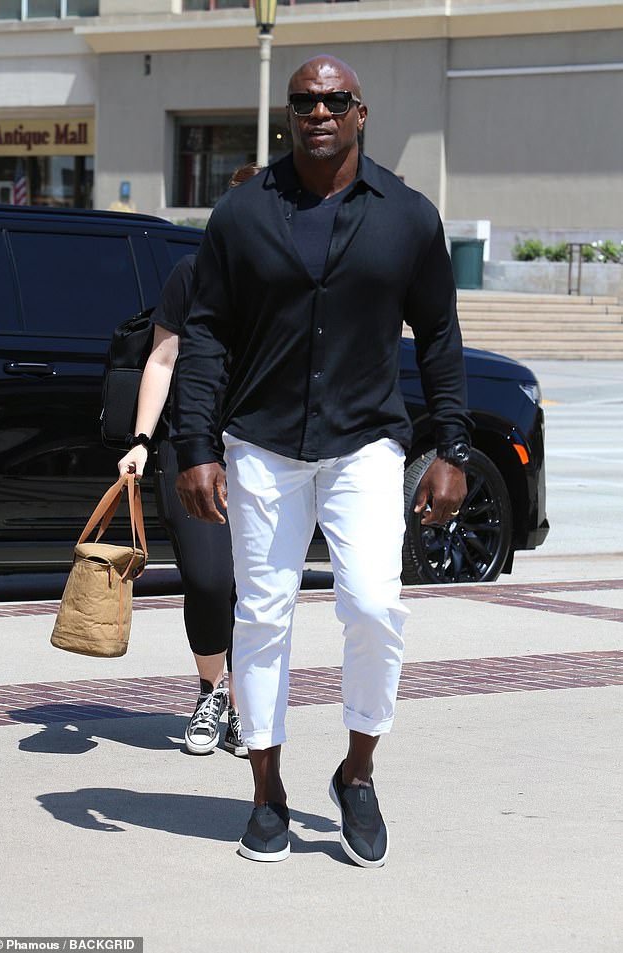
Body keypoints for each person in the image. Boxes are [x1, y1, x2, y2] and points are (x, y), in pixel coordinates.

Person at [172, 56, 471, 867]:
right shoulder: (241, 213)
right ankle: (266, 789)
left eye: (335, 100)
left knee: (374, 607)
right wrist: (195, 444)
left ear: (361, 112)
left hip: (366, 442)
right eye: (305, 101)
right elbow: (202, 334)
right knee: (261, 617)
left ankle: (357, 772)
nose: (319, 112)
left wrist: (453, 447)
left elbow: (440, 338)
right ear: (289, 115)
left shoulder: (408, 216)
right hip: (261, 446)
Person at [117, 162, 261, 758]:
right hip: (189, 447)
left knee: (256, 590)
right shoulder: (191, 273)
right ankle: (212, 692)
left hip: (260, 449)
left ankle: (244, 705)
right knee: (207, 580)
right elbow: (161, 360)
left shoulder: (289, 284)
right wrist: (143, 440)